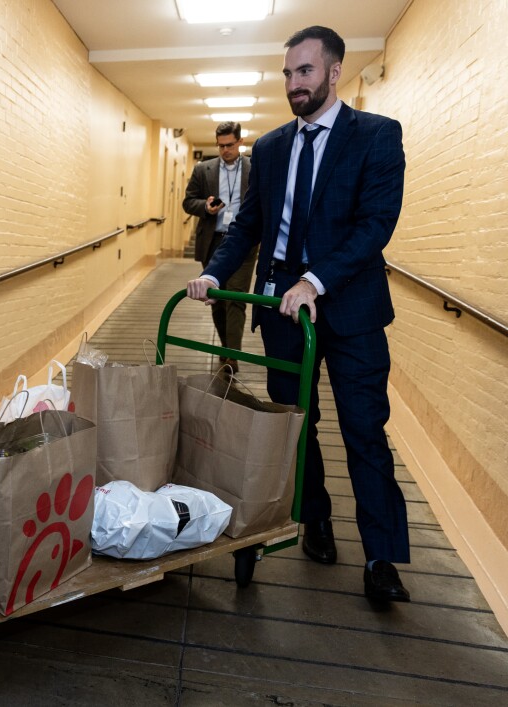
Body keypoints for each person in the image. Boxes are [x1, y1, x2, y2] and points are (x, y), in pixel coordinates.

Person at [186, 26, 411, 603]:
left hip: (351, 306)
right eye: (288, 74)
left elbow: (375, 226)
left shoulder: (377, 137)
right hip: (283, 308)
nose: (294, 84)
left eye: (305, 72)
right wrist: (215, 272)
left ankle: (382, 555)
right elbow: (251, 227)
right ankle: (315, 518)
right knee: (295, 421)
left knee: (364, 430)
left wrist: (318, 279)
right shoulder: (271, 147)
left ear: (334, 73)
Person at [182, 122, 257, 372]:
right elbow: (188, 202)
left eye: (230, 145)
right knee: (216, 297)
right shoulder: (203, 169)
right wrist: (205, 206)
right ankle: (226, 347)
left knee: (236, 297)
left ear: (240, 142)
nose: (225, 150)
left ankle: (231, 357)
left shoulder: (253, 167)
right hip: (214, 241)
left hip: (245, 241)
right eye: (221, 145)